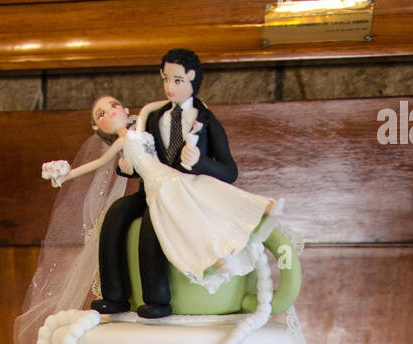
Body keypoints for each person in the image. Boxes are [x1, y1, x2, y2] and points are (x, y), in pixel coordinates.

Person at [43, 85, 283, 300]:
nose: (111, 112)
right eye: (102, 114)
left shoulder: (144, 122)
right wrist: (67, 175)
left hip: (168, 175)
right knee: (177, 220)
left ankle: (261, 207)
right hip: (154, 186)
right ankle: (216, 260)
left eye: (114, 106)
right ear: (98, 127)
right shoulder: (120, 144)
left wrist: (190, 100)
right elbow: (97, 163)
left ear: (126, 110)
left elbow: (156, 105)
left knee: (204, 193)